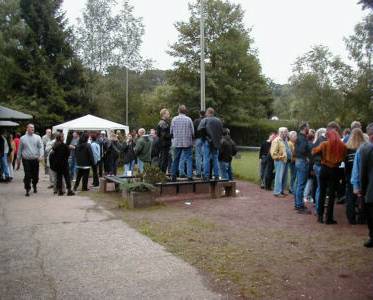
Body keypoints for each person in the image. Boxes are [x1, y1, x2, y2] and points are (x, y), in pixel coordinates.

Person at [312, 129, 347, 224]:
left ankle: (320, 216)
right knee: (331, 195)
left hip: (324, 169)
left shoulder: (324, 144)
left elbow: (314, 151)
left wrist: (322, 157)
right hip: (335, 170)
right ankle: (329, 218)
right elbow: (344, 157)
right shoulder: (343, 146)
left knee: (322, 192)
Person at [353, 123, 373, 247]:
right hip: (370, 189)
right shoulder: (365, 150)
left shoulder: (365, 150)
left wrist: (361, 189)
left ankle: (372, 237)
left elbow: (362, 173)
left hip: (370, 190)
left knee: (371, 215)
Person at [345, 128, 366, 224]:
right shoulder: (365, 148)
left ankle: (351, 217)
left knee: (350, 196)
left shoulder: (347, 148)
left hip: (350, 174)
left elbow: (345, 163)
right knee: (363, 196)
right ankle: (362, 217)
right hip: (363, 175)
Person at [16, 124, 44, 196]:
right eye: (31, 127)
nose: (32, 129)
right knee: (27, 175)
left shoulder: (37, 137)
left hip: (35, 159)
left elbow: (41, 147)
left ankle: (34, 185)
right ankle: (27, 189)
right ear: (27, 128)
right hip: (26, 159)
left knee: (35, 176)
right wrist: (18, 160)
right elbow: (19, 150)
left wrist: (41, 155)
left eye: (33, 127)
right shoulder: (22, 138)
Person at [197, 107, 223, 181]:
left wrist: (204, 138)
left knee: (206, 158)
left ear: (208, 113)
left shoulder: (205, 120)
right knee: (215, 159)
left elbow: (199, 129)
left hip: (207, 141)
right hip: (216, 142)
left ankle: (206, 175)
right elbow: (222, 131)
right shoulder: (219, 121)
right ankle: (217, 175)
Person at [171, 105, 194, 181]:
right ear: (185, 111)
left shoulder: (174, 119)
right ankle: (190, 176)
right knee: (189, 159)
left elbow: (171, 131)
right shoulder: (189, 119)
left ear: (178, 111)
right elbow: (193, 132)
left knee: (175, 159)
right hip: (187, 142)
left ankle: (173, 176)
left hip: (177, 142)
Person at [294, 123, 311, 213]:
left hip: (298, 161)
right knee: (301, 185)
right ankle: (300, 206)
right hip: (302, 162)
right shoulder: (303, 138)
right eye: (308, 127)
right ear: (305, 128)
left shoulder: (299, 137)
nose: (309, 129)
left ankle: (297, 204)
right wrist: (306, 157)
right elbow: (302, 150)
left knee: (298, 184)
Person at [270, 127, 289, 198]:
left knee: (284, 177)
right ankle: (277, 192)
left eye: (287, 132)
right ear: (281, 132)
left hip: (285, 160)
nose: (287, 133)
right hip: (279, 161)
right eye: (286, 132)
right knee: (279, 176)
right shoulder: (276, 140)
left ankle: (281, 191)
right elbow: (273, 153)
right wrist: (280, 157)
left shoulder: (285, 140)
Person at [312, 128, 327, 214]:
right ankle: (318, 209)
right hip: (319, 165)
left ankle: (318, 207)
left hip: (317, 165)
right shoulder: (322, 141)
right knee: (320, 188)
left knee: (318, 187)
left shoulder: (317, 141)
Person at [157, 109, 172, 173]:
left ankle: (161, 174)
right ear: (163, 114)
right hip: (164, 144)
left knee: (163, 159)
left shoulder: (163, 123)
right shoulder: (163, 123)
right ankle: (162, 175)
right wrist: (172, 135)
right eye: (168, 114)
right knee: (164, 159)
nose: (169, 115)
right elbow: (164, 135)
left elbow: (158, 134)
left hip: (163, 143)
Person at [193, 111, 205, 177]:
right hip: (205, 140)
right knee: (205, 156)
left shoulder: (196, 121)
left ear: (199, 114)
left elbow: (193, 131)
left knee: (198, 156)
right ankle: (204, 172)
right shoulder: (206, 120)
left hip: (197, 139)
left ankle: (198, 172)